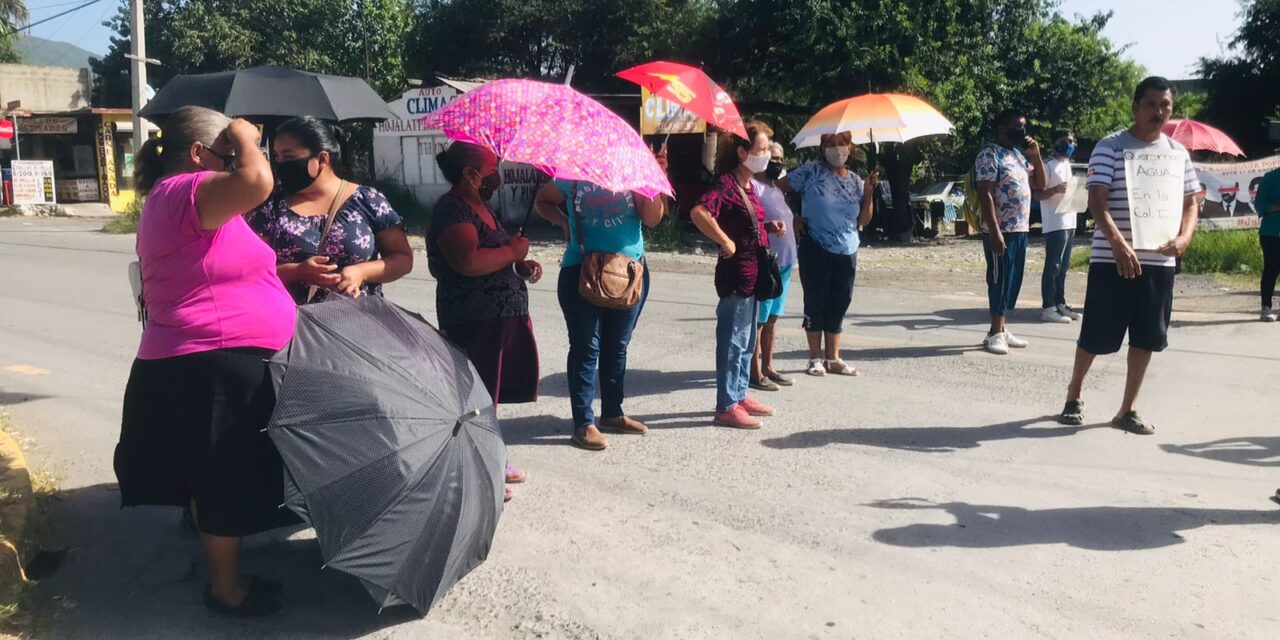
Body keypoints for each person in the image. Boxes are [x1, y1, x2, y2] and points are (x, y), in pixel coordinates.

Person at [114, 106, 295, 616]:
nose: (235, 159)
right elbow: (258, 181)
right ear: (199, 154)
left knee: (216, 473)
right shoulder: (182, 192)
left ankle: (225, 575)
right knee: (222, 476)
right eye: (226, 152)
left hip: (206, 358)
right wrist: (245, 135)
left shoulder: (184, 201)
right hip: (208, 359)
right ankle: (226, 591)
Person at [1058, 76, 1201, 434]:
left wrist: (1184, 238)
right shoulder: (1110, 147)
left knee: (1147, 337)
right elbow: (1096, 202)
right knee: (1095, 334)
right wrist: (1119, 244)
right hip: (1112, 259)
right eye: (1151, 104)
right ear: (1135, 107)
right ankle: (1074, 395)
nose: (1158, 112)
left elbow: (1191, 203)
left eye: (1165, 106)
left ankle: (1127, 409)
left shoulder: (1177, 154)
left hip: (1159, 263)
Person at [531, 151, 668, 450]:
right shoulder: (571, 173)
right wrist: (564, 222)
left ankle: (612, 414)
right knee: (585, 347)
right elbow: (543, 200)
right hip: (581, 271)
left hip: (628, 274)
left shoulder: (635, 173)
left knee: (617, 346)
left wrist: (653, 178)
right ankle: (583, 423)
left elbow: (653, 218)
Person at [426, 141, 540, 495]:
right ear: (470, 175)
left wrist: (520, 264)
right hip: (474, 321)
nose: (498, 177)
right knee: (475, 398)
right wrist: (511, 251)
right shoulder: (453, 211)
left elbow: (496, 256)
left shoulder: (482, 207)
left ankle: (490, 458)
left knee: (488, 397)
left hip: (500, 318)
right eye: (492, 171)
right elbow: (468, 262)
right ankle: (477, 472)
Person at [248, 117, 413, 304]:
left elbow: (403, 258)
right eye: (277, 157)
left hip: (358, 323)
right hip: (293, 324)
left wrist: (362, 273)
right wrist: (297, 272)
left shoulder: (368, 201)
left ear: (322, 159)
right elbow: (250, 270)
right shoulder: (270, 205)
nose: (281, 164)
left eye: (289, 157)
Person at [690, 121, 787, 429]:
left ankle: (740, 394)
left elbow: (744, 221)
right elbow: (699, 212)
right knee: (732, 340)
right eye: (761, 150)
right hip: (736, 276)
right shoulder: (726, 185)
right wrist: (724, 240)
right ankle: (726, 404)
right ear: (743, 152)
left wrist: (768, 228)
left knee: (745, 342)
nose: (766, 157)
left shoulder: (747, 185)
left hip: (754, 275)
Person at [777, 132, 878, 376]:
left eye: (842, 143)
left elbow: (863, 219)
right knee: (816, 300)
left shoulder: (855, 181)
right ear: (822, 149)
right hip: (816, 245)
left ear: (851, 148)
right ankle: (815, 357)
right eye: (830, 145)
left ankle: (833, 358)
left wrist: (869, 193)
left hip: (848, 248)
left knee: (839, 302)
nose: (837, 149)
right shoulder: (811, 171)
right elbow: (777, 190)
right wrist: (793, 217)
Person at [975, 110, 1048, 354]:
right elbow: (985, 193)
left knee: (1011, 282)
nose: (1022, 131)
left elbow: (1041, 183)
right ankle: (995, 332)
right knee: (999, 280)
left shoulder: (1017, 155)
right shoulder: (990, 154)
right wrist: (995, 232)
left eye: (1024, 126)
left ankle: (1002, 329)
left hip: (1020, 228)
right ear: (1001, 128)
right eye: (1017, 126)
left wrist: (1036, 155)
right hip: (1001, 230)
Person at [750, 142, 798, 391]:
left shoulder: (776, 189)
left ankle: (768, 366)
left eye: (780, 158)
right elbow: (754, 222)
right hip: (768, 263)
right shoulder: (754, 187)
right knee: (760, 319)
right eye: (772, 158)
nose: (776, 163)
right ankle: (754, 371)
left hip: (786, 262)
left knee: (773, 319)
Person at [1036, 129, 1083, 324]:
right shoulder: (1048, 165)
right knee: (1053, 265)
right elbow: (1038, 194)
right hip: (1055, 222)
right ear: (1054, 143)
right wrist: (1055, 190)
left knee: (1063, 266)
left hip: (1069, 218)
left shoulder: (1067, 164)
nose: (1068, 144)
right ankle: (1048, 307)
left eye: (1071, 141)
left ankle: (1060, 303)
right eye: (1064, 141)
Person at [1252, 165, 1280, 321]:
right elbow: (1259, 204)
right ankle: (1266, 307)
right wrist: (1276, 207)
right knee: (1271, 269)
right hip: (1271, 233)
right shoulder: (1270, 178)